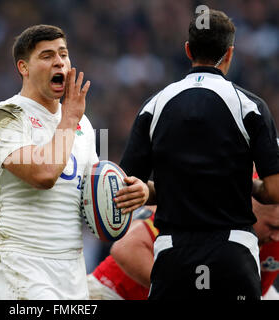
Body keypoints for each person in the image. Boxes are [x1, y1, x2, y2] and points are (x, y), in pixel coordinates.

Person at [0, 24, 149, 300]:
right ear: (24, 67)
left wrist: (133, 193)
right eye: (46, 56)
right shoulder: (3, 117)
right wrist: (69, 118)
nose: (59, 61)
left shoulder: (83, 124)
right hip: (24, 264)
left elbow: (93, 194)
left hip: (72, 268)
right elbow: (44, 174)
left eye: (63, 54)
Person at [119, 9, 279, 300]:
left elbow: (127, 187)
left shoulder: (153, 106)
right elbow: (275, 190)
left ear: (188, 50)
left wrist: (156, 191)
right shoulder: (251, 107)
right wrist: (250, 186)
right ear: (230, 53)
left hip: (172, 255)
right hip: (234, 254)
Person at [89, 201, 279, 300]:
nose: (276, 237)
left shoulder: (274, 240)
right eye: (273, 226)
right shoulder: (206, 207)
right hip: (113, 292)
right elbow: (125, 248)